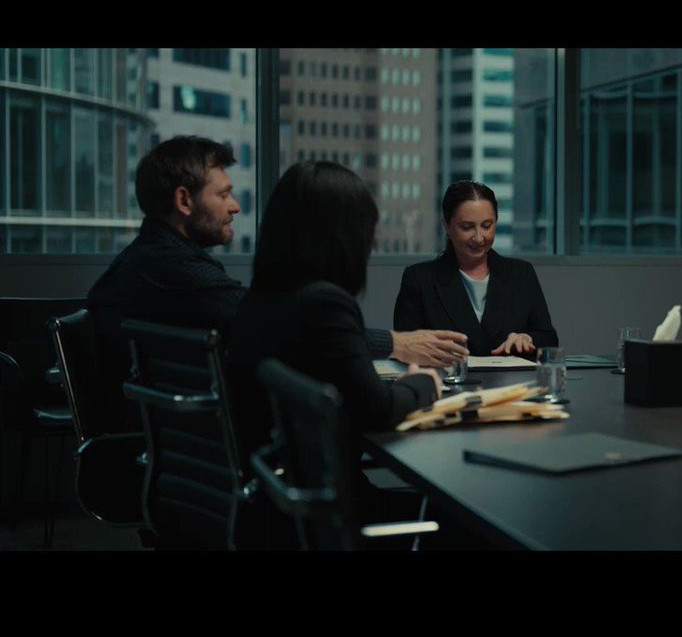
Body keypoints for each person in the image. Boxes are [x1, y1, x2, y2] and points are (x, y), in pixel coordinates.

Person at [87, 136, 466, 434]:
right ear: (184, 200)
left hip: (182, 457)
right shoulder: (171, 270)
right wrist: (405, 357)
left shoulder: (150, 261)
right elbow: (288, 321)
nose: (235, 206)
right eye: (223, 194)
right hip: (179, 449)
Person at [226, 160, 442, 538]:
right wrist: (424, 383)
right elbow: (379, 411)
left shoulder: (258, 300)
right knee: (470, 527)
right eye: (367, 231)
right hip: (332, 520)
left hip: (281, 508)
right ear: (341, 236)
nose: (372, 244)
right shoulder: (324, 304)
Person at [393, 180, 558, 356]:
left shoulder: (521, 274)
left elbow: (549, 339)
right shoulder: (420, 279)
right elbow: (404, 346)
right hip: (447, 374)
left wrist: (527, 338)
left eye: (487, 226)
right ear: (447, 226)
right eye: (467, 227)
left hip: (510, 374)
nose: (479, 238)